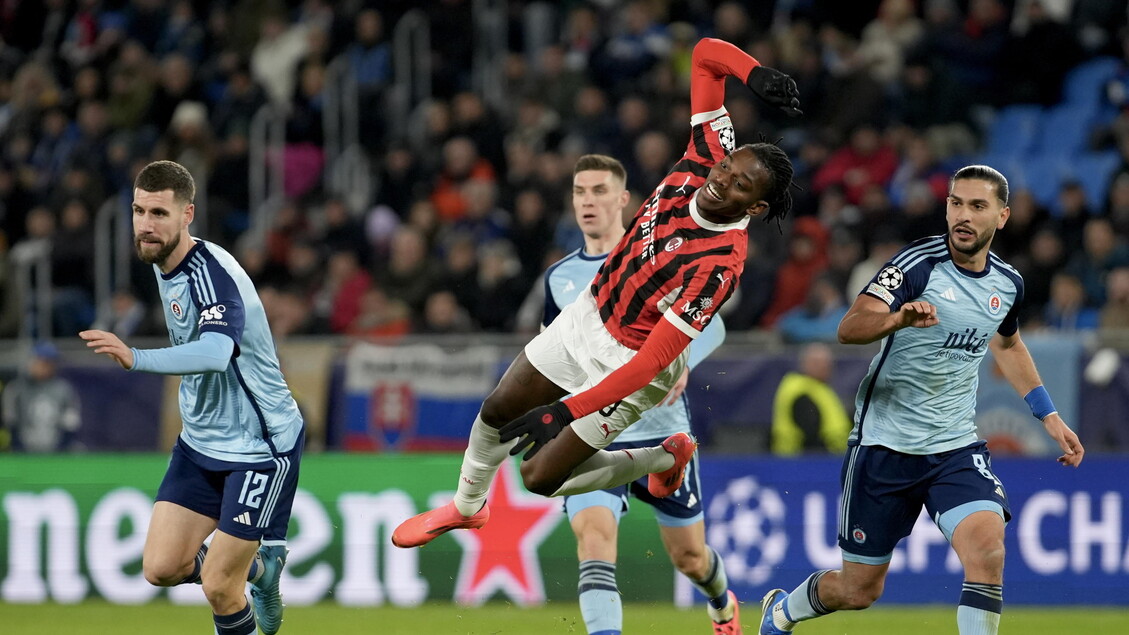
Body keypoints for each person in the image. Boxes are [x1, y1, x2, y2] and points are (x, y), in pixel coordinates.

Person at [391, 37, 801, 558]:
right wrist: (755, 73)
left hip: (630, 366)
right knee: (497, 408)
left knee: (538, 477)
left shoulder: (719, 265)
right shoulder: (707, 153)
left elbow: (655, 357)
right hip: (588, 312)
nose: (722, 181)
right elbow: (702, 54)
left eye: (740, 185)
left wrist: (568, 409)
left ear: (758, 207)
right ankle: (468, 508)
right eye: (728, 169)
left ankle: (662, 459)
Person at [758, 165, 1085, 635]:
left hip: (954, 446)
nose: (963, 216)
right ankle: (784, 611)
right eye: (956, 203)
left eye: (977, 206)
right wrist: (897, 321)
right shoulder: (917, 264)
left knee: (988, 550)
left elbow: (1008, 344)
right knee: (860, 589)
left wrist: (1048, 416)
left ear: (1003, 216)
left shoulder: (1008, 284)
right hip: (884, 446)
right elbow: (849, 327)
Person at [79, 160, 304, 635]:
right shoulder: (162, 261)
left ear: (188, 215)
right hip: (200, 442)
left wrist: (136, 358)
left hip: (259, 447)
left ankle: (248, 572)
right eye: (139, 211)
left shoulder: (211, 272)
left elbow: (218, 350)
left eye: (159, 213)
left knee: (221, 585)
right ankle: (262, 568)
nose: (145, 224)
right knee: (161, 568)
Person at [547, 153, 741, 634]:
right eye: (579, 191)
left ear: (623, 200)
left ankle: (722, 605)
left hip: (661, 432)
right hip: (595, 430)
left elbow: (712, 326)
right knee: (594, 540)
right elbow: (553, 354)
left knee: (691, 558)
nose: (588, 201)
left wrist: (680, 362)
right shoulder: (558, 278)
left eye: (598, 191)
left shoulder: (660, 256)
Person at [771, 342, 851, 455]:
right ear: (807, 363)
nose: (827, 368)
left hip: (825, 459)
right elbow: (810, 429)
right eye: (821, 364)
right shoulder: (800, 390)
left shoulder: (819, 387)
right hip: (803, 460)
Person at [2, 341, 82, 452]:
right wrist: (19, 449)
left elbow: (71, 423)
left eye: (51, 363)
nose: (47, 367)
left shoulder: (63, 389)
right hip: (23, 450)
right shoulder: (15, 389)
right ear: (31, 362)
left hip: (56, 450)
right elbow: (11, 423)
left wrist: (61, 450)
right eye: (43, 362)